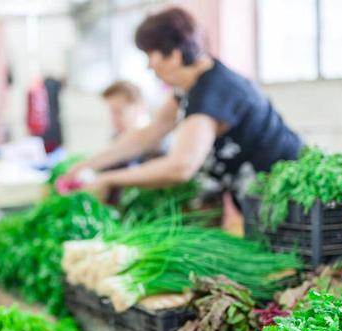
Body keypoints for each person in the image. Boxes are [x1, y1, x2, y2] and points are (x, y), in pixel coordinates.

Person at [66, 7, 302, 232]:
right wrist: (88, 165)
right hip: (260, 201)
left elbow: (181, 166)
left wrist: (109, 179)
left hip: (290, 200)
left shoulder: (212, 91)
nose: (149, 66)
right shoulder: (191, 86)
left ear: (174, 56)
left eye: (150, 55)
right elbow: (149, 134)